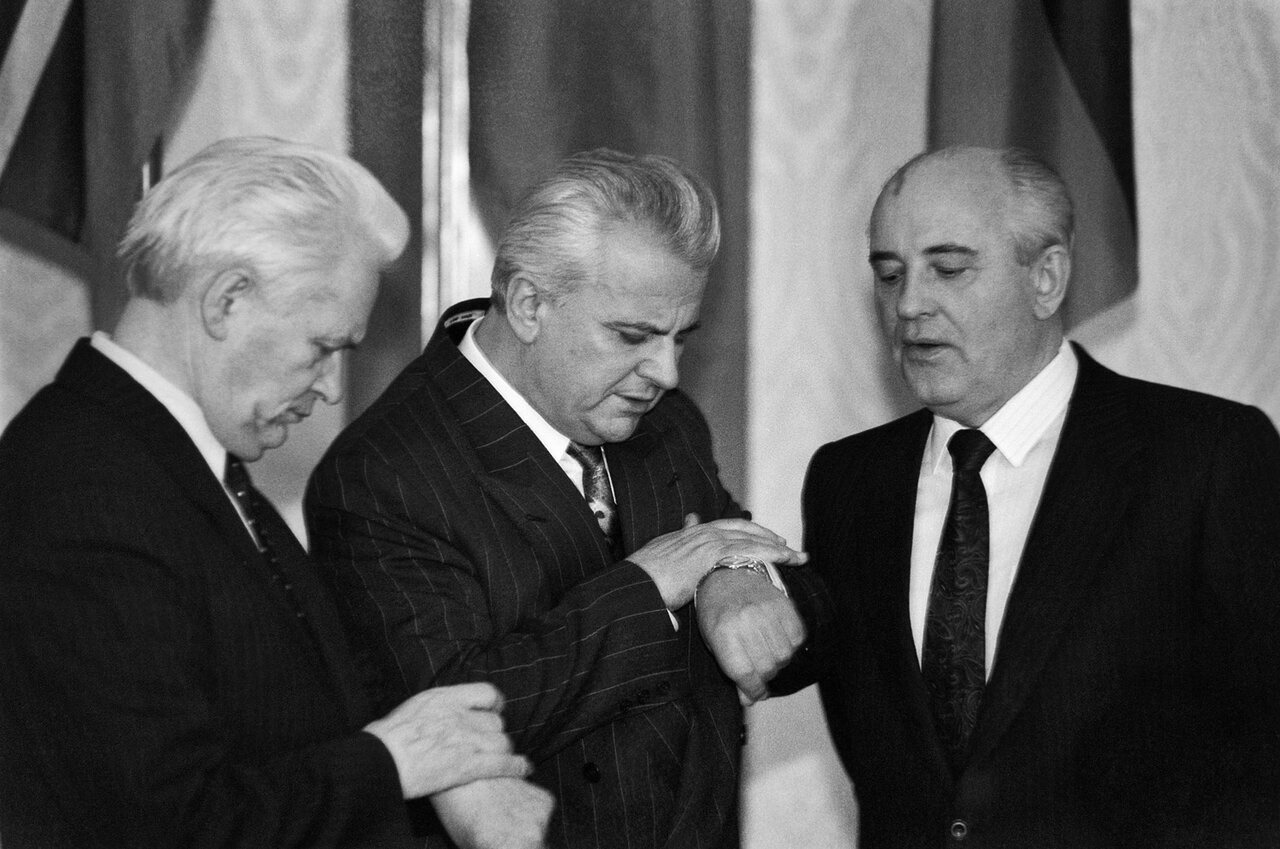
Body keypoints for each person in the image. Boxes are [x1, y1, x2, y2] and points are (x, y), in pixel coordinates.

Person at [0, 137, 552, 849]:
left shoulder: (178, 463)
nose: (329, 389)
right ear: (227, 300)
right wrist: (394, 762)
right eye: (322, 347)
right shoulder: (84, 490)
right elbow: (166, 826)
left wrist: (446, 766)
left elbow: (291, 727)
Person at [304, 148, 821, 848]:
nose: (666, 373)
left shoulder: (666, 424)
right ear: (528, 305)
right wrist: (651, 587)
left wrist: (738, 574)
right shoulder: (381, 473)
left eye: (681, 339)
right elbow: (456, 721)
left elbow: (801, 606)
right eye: (633, 336)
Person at [773, 145, 1280, 847]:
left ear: (1047, 278)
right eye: (890, 275)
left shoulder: (1205, 456)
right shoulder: (848, 479)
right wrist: (727, 572)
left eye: (949, 269)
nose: (909, 304)